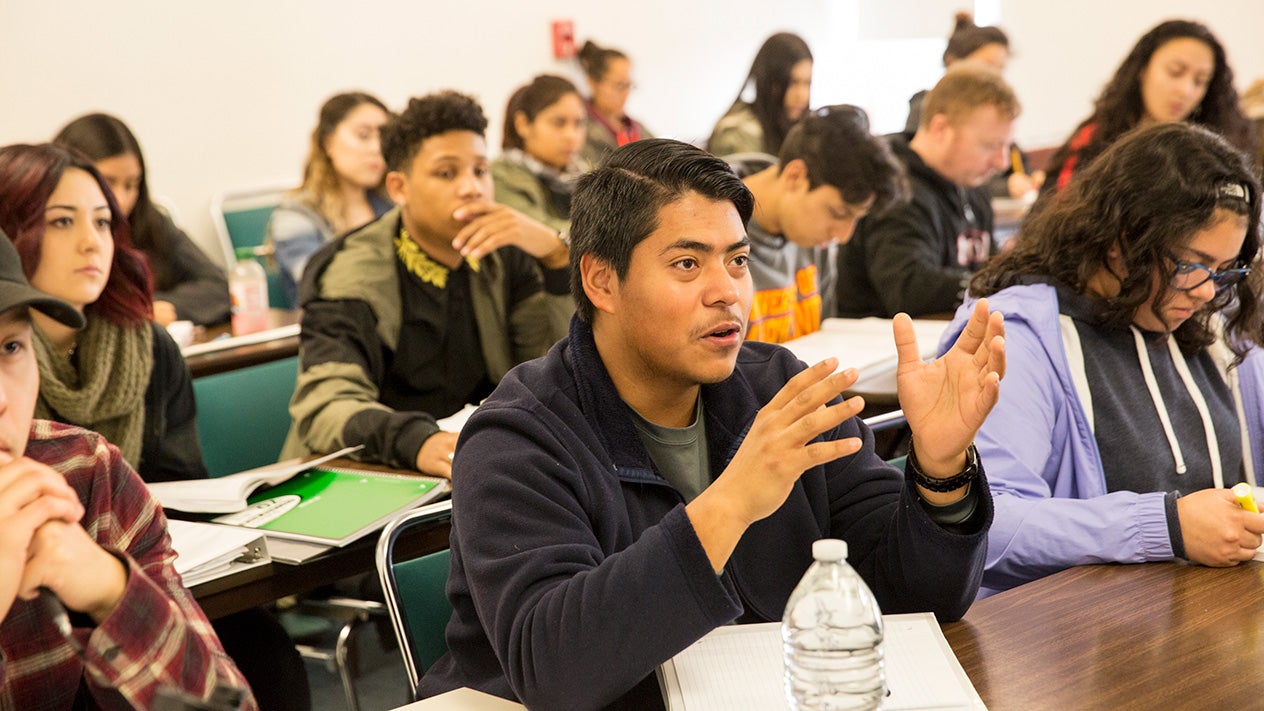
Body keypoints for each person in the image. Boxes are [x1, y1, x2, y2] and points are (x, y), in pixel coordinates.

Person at [417, 138, 1008, 708]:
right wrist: (731, 503)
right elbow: (555, 672)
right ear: (601, 280)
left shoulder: (779, 388)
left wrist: (939, 469)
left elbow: (912, 598)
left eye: (738, 261)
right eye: (686, 263)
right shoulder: (518, 436)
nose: (727, 292)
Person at [0, 143, 309, 710]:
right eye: (62, 222)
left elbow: (224, 701)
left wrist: (110, 586)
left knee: (271, 662)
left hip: (147, 551)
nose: (93, 243)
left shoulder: (90, 467)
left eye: (11, 348)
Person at [940, 122, 1264, 598]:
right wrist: (1167, 525)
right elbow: (987, 525)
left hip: (1197, 618)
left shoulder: (1212, 323)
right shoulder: (1017, 337)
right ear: (1121, 239)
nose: (1205, 291)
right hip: (1069, 639)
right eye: (1190, 264)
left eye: (1222, 270)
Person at [282, 91, 572, 478]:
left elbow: (552, 367)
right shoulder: (351, 272)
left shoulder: (504, 255)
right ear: (399, 188)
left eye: (481, 170)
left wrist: (557, 258)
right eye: (447, 173)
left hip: (478, 465)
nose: (472, 188)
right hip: (367, 472)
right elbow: (325, 405)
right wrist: (417, 441)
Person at [836, 64, 1018, 318]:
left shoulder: (973, 189)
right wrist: (1000, 282)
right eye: (990, 145)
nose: (1002, 163)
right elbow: (908, 289)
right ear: (941, 128)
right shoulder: (895, 189)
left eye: (1007, 146)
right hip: (881, 347)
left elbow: (986, 265)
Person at [738, 105, 907, 344]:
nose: (843, 235)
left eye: (856, 218)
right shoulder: (712, 230)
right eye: (838, 213)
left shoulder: (814, 241)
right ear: (795, 176)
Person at [53, 112, 231, 327]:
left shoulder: (148, 220)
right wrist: (134, 311)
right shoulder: (51, 232)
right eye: (108, 183)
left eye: (131, 185)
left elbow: (218, 286)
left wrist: (161, 307)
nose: (120, 199)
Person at [1042, 19, 1255, 195]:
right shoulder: (1095, 137)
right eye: (1175, 72)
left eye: (1200, 81)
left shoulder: (1215, 153)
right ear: (1142, 70)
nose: (1186, 90)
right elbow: (1055, 214)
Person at [265, 92, 393, 305]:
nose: (376, 148)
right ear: (328, 143)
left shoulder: (390, 206)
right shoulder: (295, 216)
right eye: (363, 135)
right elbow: (325, 288)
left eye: (383, 137)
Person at [903, 13, 1043, 200]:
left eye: (1001, 69)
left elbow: (1015, 161)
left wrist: (1029, 176)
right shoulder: (926, 108)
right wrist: (1004, 188)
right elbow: (947, 177)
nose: (996, 76)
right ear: (952, 62)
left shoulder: (995, 115)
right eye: (987, 66)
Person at [492, 75, 588, 234]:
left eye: (579, 123)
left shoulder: (588, 173)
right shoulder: (501, 177)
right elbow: (539, 234)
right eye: (558, 122)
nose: (571, 135)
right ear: (522, 124)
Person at [708, 32, 812, 157]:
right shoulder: (736, 132)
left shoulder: (804, 129)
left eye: (807, 83)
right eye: (792, 83)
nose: (802, 95)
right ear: (771, 81)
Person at [578, 39, 653, 167]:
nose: (625, 94)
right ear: (592, 83)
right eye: (619, 85)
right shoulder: (581, 131)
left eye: (628, 85)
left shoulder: (635, 127)